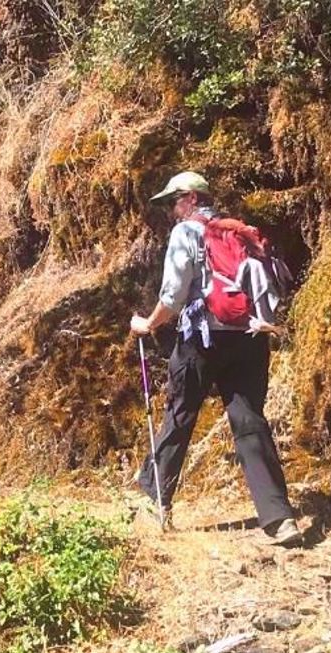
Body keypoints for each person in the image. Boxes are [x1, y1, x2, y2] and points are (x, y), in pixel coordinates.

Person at [128, 171, 307, 547]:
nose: (171, 210)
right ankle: (279, 519)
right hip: (248, 336)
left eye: (174, 201)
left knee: (179, 415)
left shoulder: (186, 233)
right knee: (249, 421)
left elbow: (174, 295)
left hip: (201, 338)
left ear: (192, 198)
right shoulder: (237, 232)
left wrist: (148, 323)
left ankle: (153, 503)